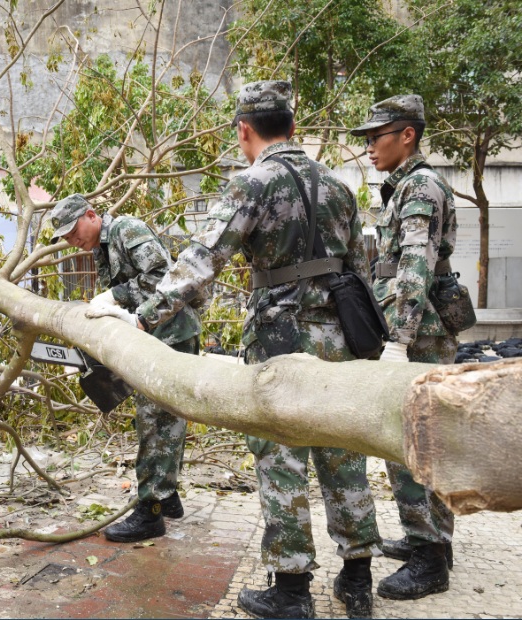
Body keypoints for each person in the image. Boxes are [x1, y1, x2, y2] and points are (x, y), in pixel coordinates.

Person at [88, 81, 382, 619]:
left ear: (244, 130)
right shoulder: (340, 187)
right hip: (341, 339)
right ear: (293, 127)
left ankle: (291, 589)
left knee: (281, 456)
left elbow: (201, 263)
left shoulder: (251, 184)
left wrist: (138, 316)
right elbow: (360, 271)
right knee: (344, 452)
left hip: (282, 341)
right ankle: (357, 577)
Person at [350, 95, 456, 601]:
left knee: (411, 443)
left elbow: (414, 264)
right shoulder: (405, 186)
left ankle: (429, 557)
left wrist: (400, 341)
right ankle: (431, 542)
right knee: (424, 441)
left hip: (419, 335)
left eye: (377, 136)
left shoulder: (419, 186)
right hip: (420, 330)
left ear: (407, 135)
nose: (369, 147)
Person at [50, 194, 202, 542]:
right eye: (67, 237)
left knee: (153, 421)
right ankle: (169, 497)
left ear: (91, 215)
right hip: (154, 335)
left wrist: (115, 295)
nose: (73, 240)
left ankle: (150, 511)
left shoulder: (126, 230)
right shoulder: (102, 246)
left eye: (74, 231)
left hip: (170, 333)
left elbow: (165, 277)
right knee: (169, 418)